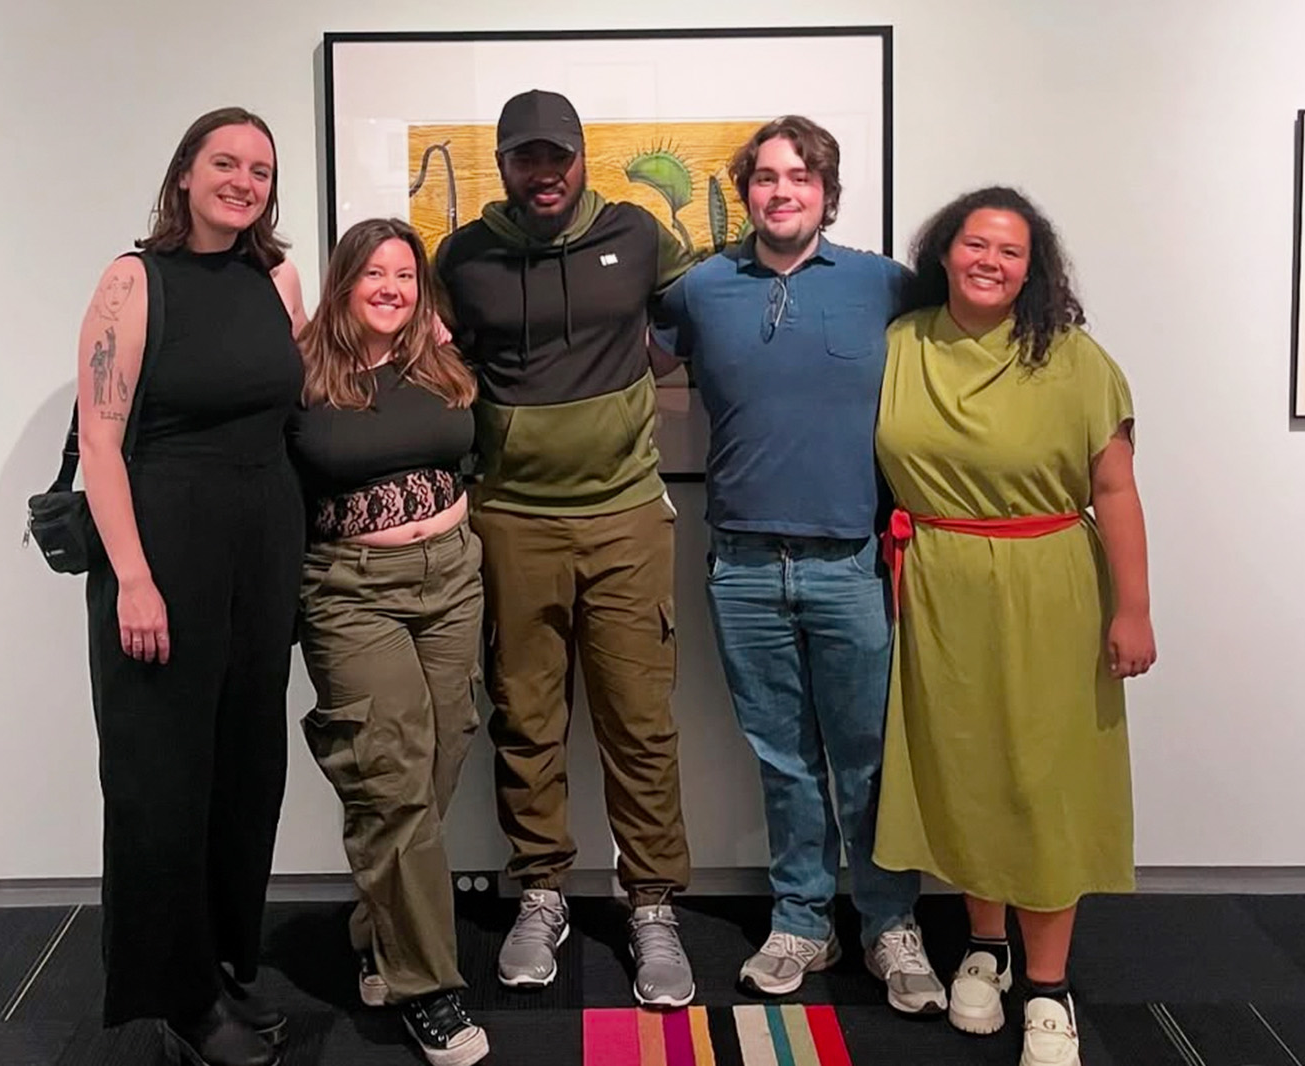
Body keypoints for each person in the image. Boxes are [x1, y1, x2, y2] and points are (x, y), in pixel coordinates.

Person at [649, 116, 947, 1014]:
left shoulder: (881, 284)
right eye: (767, 178)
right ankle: (802, 922)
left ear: (827, 191)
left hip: (851, 563)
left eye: (801, 177)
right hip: (740, 564)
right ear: (746, 192)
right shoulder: (701, 290)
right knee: (782, 759)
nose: (783, 191)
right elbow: (619, 368)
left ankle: (890, 923)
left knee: (865, 760)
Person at [872, 186, 1156, 1066]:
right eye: (975, 244)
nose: (989, 262)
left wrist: (1134, 608)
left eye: (1010, 251)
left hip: (1047, 585)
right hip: (938, 584)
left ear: (1035, 270)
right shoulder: (899, 345)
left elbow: (1113, 491)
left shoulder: (1076, 362)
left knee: (1043, 778)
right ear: (944, 252)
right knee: (963, 767)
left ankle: (1048, 986)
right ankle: (983, 948)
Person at [433, 88, 697, 1008]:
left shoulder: (638, 235)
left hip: (627, 515)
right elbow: (434, 358)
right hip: (510, 520)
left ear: (582, 157)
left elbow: (695, 321)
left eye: (558, 156)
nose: (543, 174)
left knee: (640, 722)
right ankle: (541, 891)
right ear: (501, 166)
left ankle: (653, 904)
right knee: (526, 717)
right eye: (524, 159)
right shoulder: (462, 256)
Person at [78, 106, 308, 1066]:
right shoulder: (134, 280)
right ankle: (173, 993)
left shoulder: (279, 277)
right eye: (225, 162)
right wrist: (132, 577)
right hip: (164, 550)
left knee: (246, 771)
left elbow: (297, 404)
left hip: (264, 549)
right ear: (185, 173)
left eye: (259, 169)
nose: (243, 181)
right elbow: (100, 438)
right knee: (160, 780)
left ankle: (220, 967)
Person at [288, 218, 487, 1066]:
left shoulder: (436, 359)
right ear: (343, 282)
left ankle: (379, 927)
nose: (391, 288)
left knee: (441, 757)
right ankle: (427, 991)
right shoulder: (299, 372)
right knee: (390, 777)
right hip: (348, 592)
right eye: (373, 273)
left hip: (452, 579)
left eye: (405, 275)